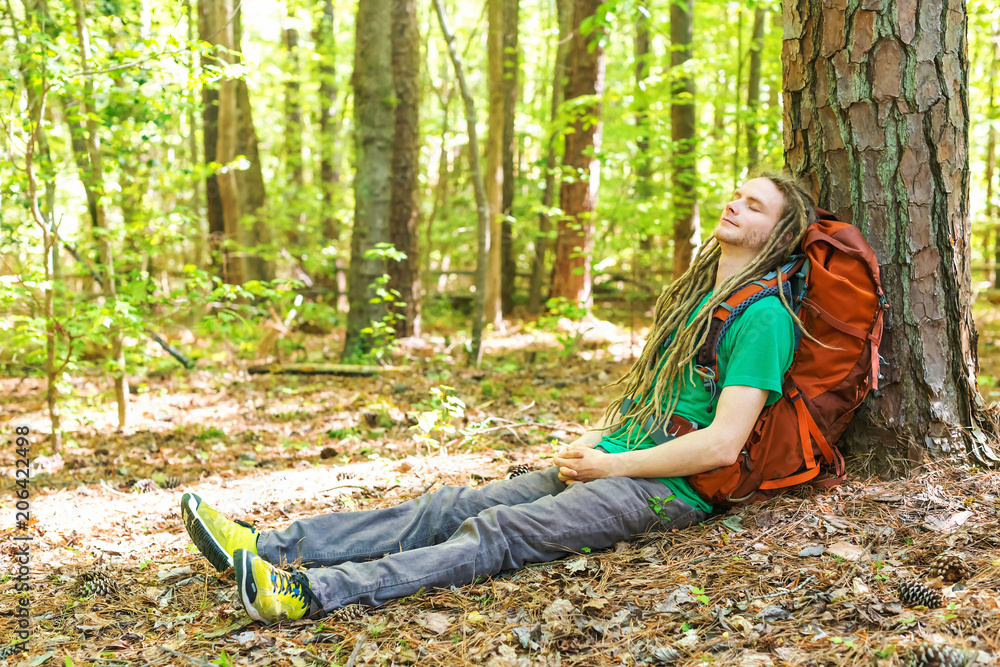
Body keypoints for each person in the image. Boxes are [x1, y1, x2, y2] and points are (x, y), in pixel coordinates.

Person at [181, 171, 818, 624]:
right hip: (618, 459)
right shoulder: (702, 292)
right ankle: (264, 547)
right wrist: (601, 442)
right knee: (450, 504)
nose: (735, 206)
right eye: (738, 195)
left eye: (754, 207)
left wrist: (612, 466)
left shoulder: (764, 319)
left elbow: (722, 442)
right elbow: (661, 397)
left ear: (779, 234)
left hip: (665, 488)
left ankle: (308, 593)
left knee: (499, 530)